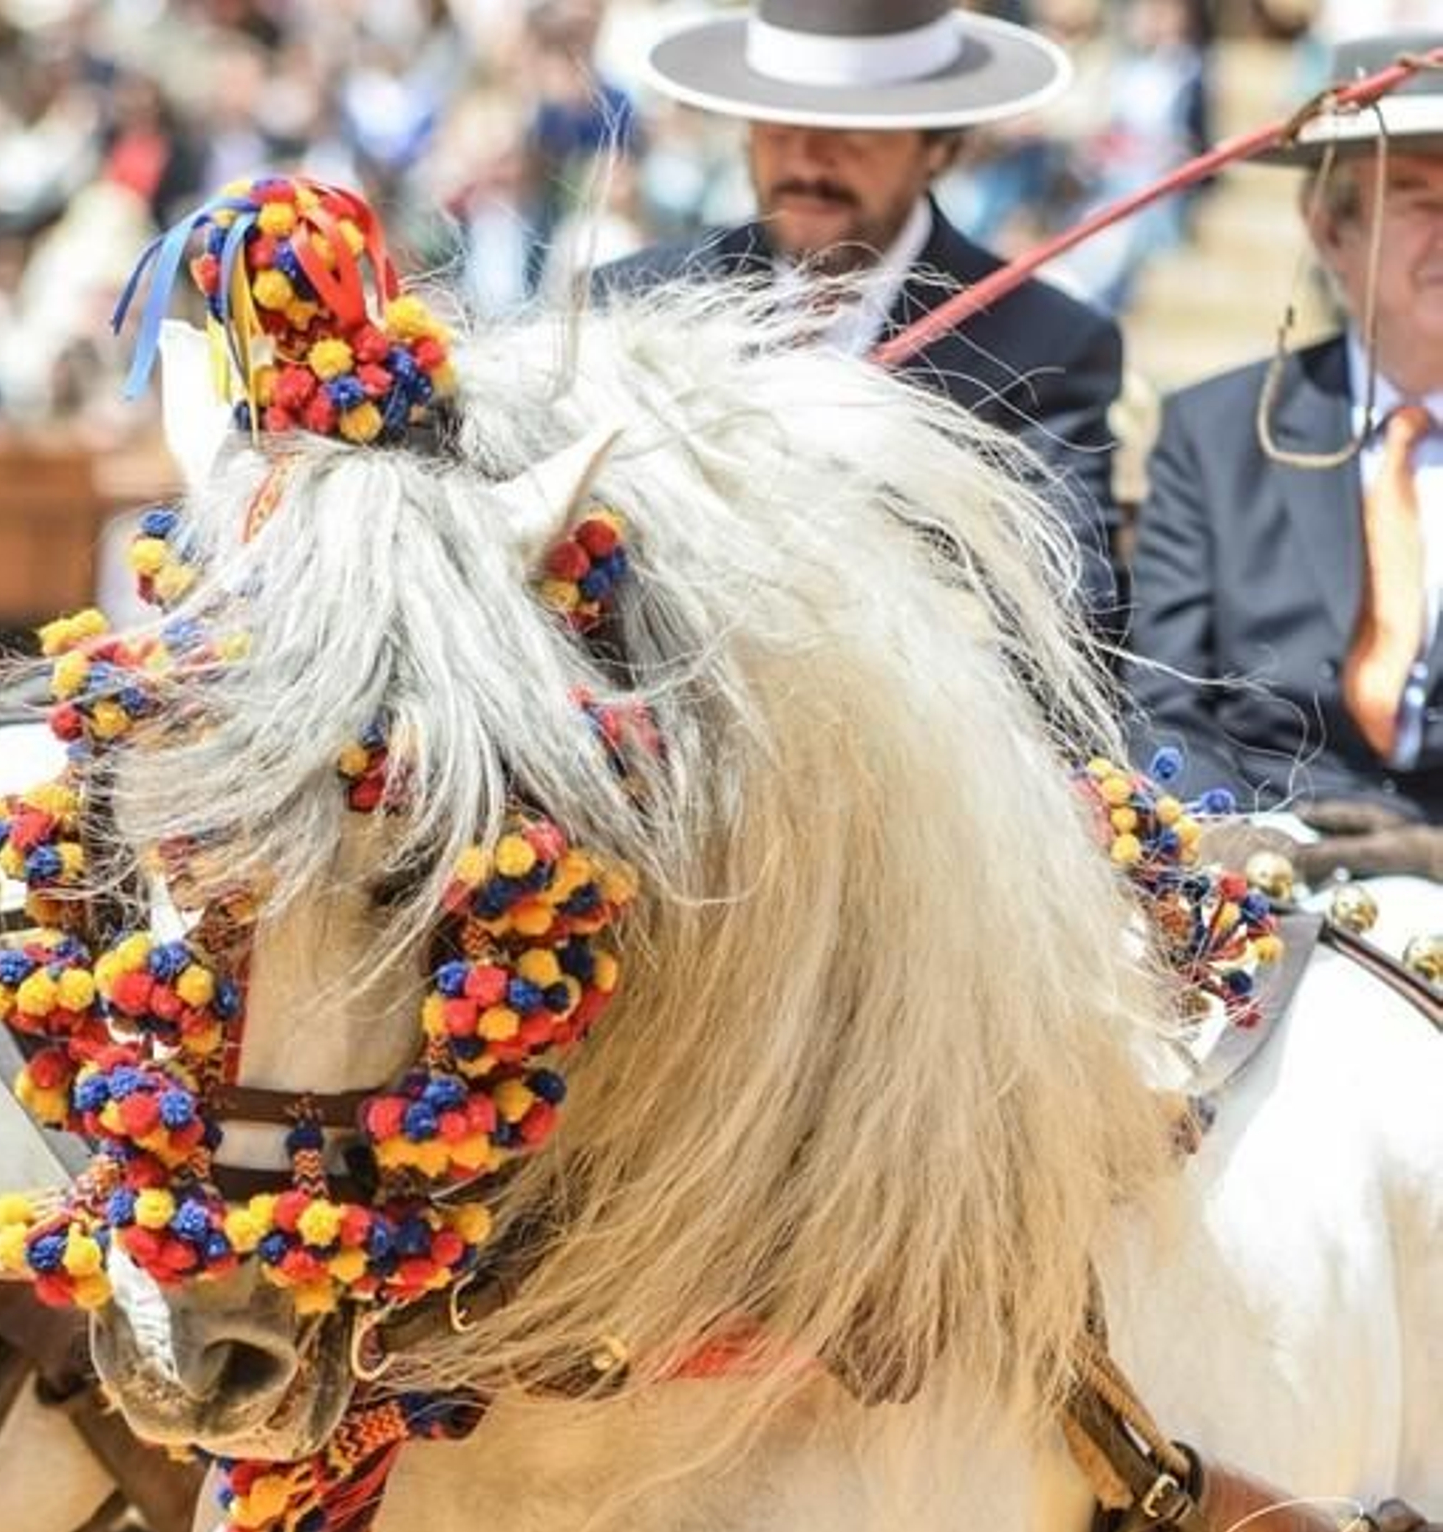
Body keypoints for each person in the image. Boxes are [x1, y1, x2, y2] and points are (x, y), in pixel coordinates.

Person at [598, 0, 1127, 641]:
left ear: (939, 148)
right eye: (779, 124)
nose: (810, 160)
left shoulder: (1043, 347)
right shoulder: (631, 302)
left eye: (856, 132)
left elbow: (1067, 610)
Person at [1125, 32, 1443, 880]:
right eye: (1418, 201)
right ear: (1331, 229)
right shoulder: (1218, 431)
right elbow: (1163, 701)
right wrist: (1234, 840)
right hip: (1264, 866)